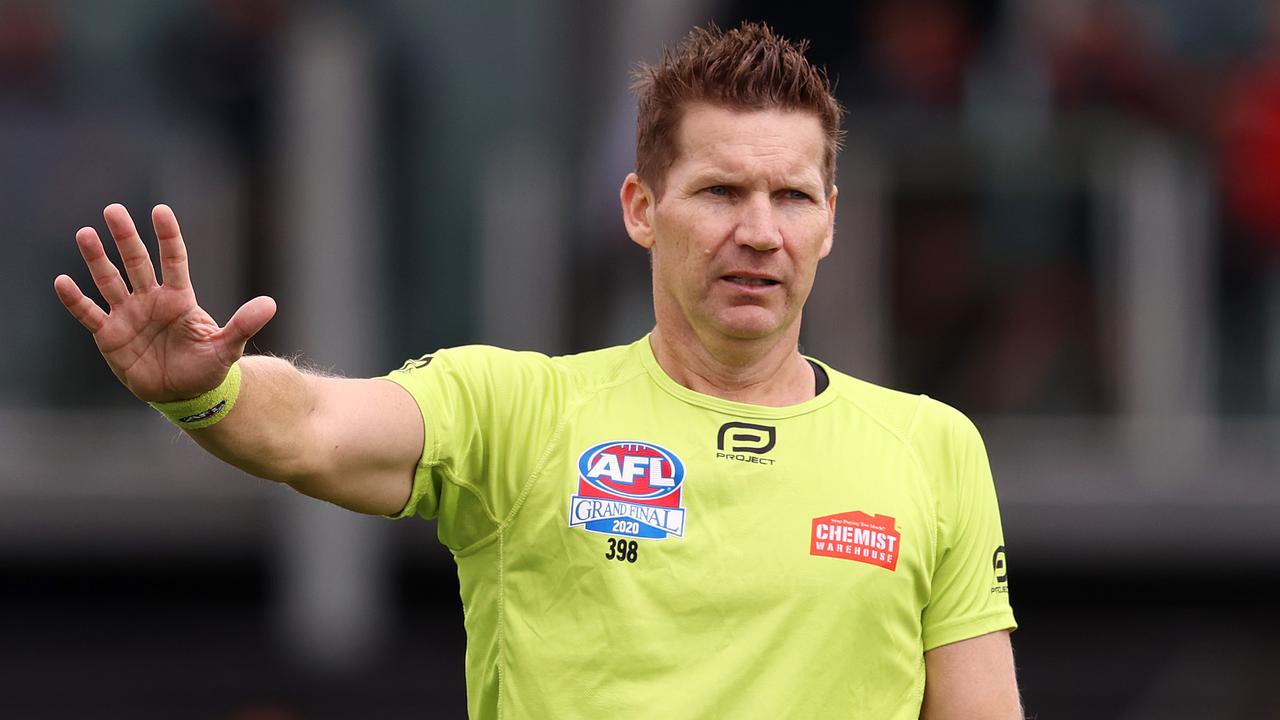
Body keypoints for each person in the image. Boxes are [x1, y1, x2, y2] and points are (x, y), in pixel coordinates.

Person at [53, 21, 1020, 720]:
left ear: (833, 219)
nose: (759, 233)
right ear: (641, 208)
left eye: (792, 197)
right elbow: (312, 427)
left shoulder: (932, 448)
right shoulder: (520, 410)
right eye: (720, 190)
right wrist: (203, 388)